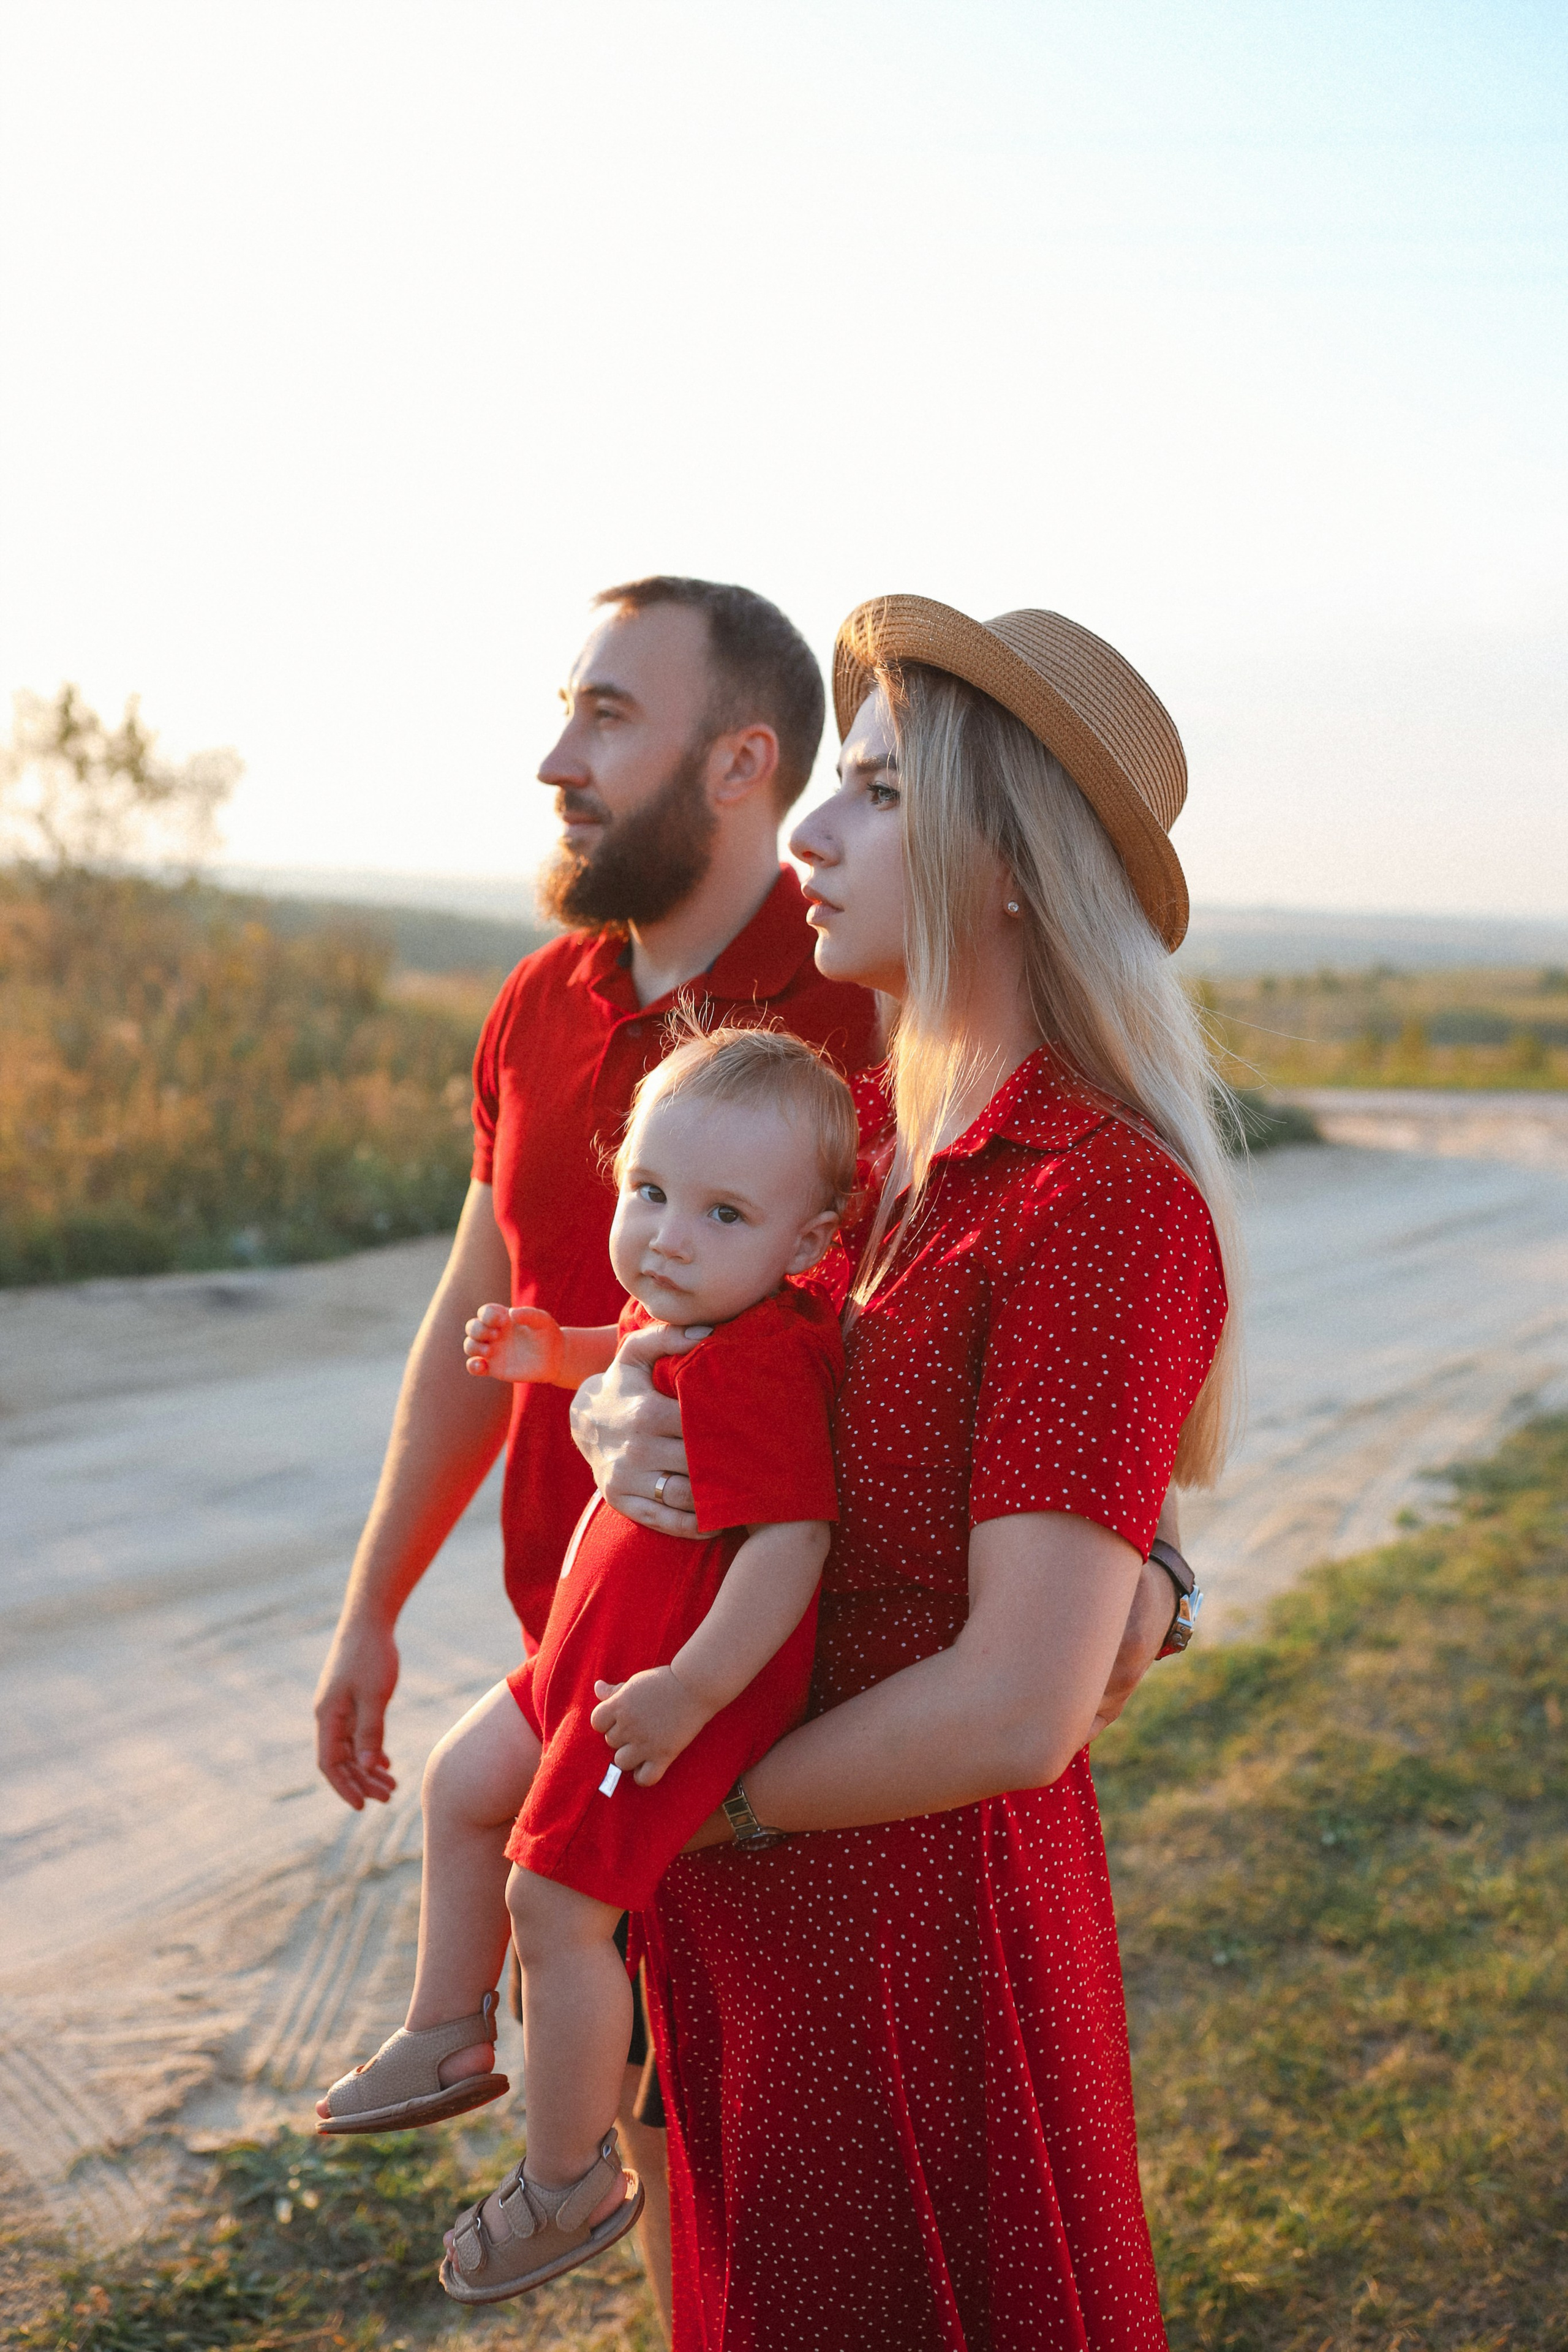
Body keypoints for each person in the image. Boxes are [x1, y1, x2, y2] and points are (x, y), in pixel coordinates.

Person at [566, 595, 1240, 2349]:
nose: (809, 827)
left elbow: (1021, 1704)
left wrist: (714, 1801)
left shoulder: (1099, 1197)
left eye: (872, 787)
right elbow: (708, 1392)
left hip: (912, 1950)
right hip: (766, 1935)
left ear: (1006, 858)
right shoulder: (870, 1158)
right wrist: (618, 1414)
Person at [311, 578, 880, 2326]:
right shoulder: (536, 1008)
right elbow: (478, 1322)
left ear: (741, 763)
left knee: (778, 2191)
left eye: (609, 717)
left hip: (774, 1705)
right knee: (635, 2136)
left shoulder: (869, 997)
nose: (557, 759)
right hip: (583, 1651)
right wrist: (374, 1605)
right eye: (569, 708)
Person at [315, 1027, 856, 2305]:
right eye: (649, 1192)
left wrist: (695, 1693)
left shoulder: (765, 1361)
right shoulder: (685, 1307)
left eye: (721, 1213)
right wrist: (540, 1350)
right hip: (586, 1664)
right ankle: (446, 2033)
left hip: (660, 1692)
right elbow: (610, 1343)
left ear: (806, 1247)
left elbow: (792, 1544)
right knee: (458, 1784)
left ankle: (566, 2181)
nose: (667, 1234)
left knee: (556, 1911)